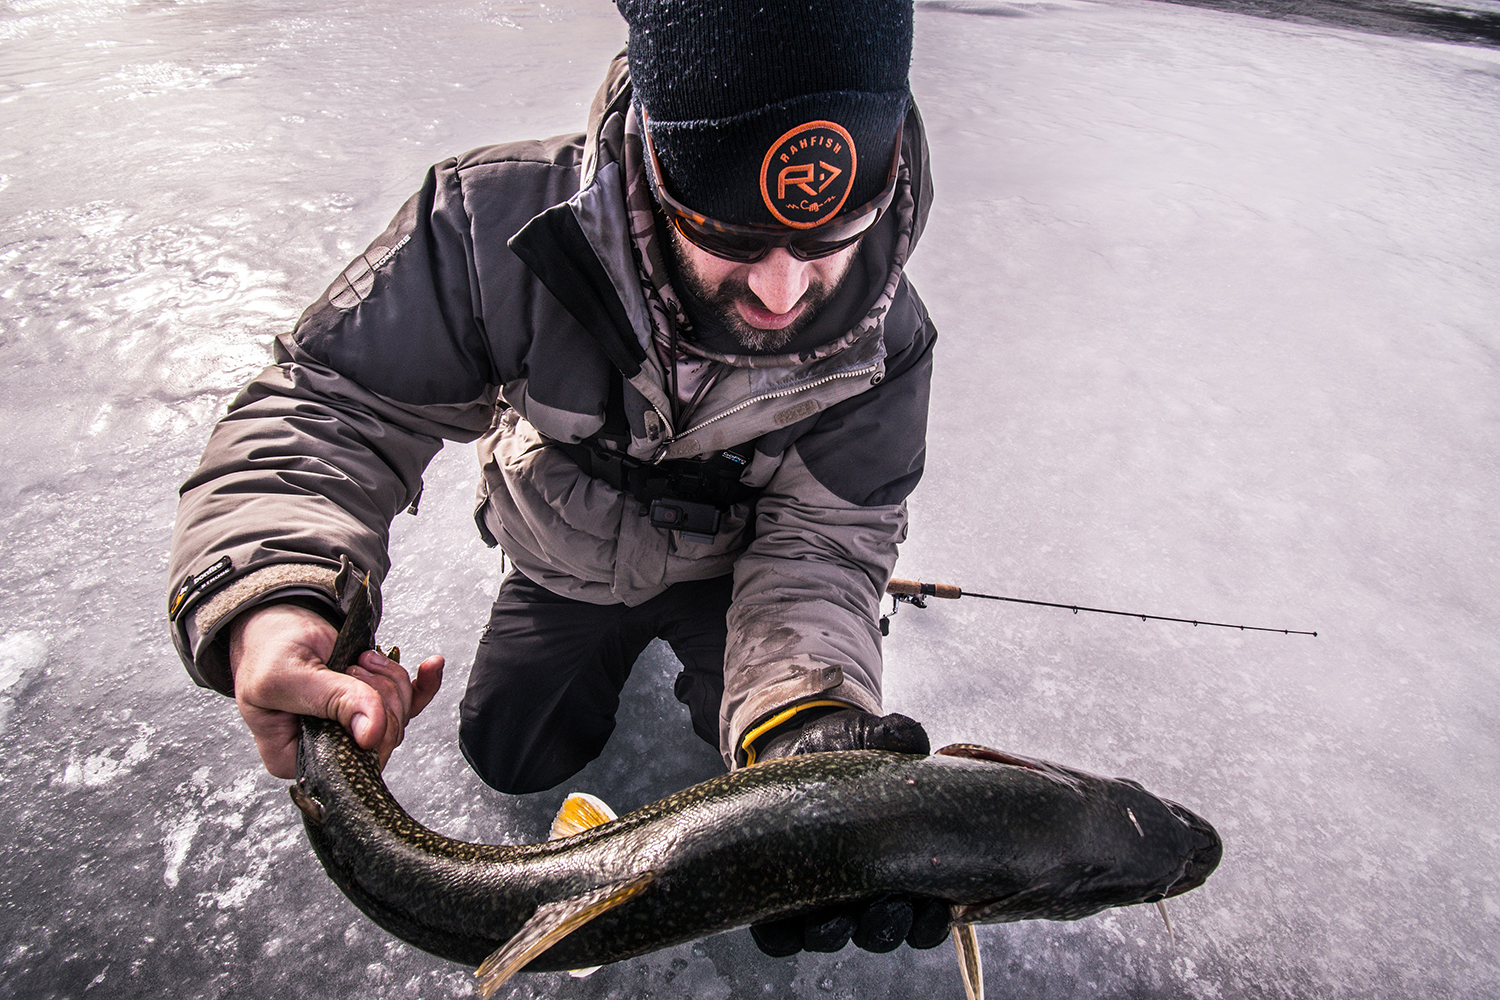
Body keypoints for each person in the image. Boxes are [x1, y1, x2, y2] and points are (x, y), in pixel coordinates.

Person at [168, 0, 942, 958]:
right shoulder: (494, 226)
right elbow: (336, 399)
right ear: (656, 167)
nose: (782, 291)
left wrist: (811, 721)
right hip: (564, 560)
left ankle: (752, 698)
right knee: (511, 755)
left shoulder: (889, 344)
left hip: (738, 583)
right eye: (731, 236)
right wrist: (274, 596)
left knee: (763, 756)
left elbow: (824, 543)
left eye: (833, 234)